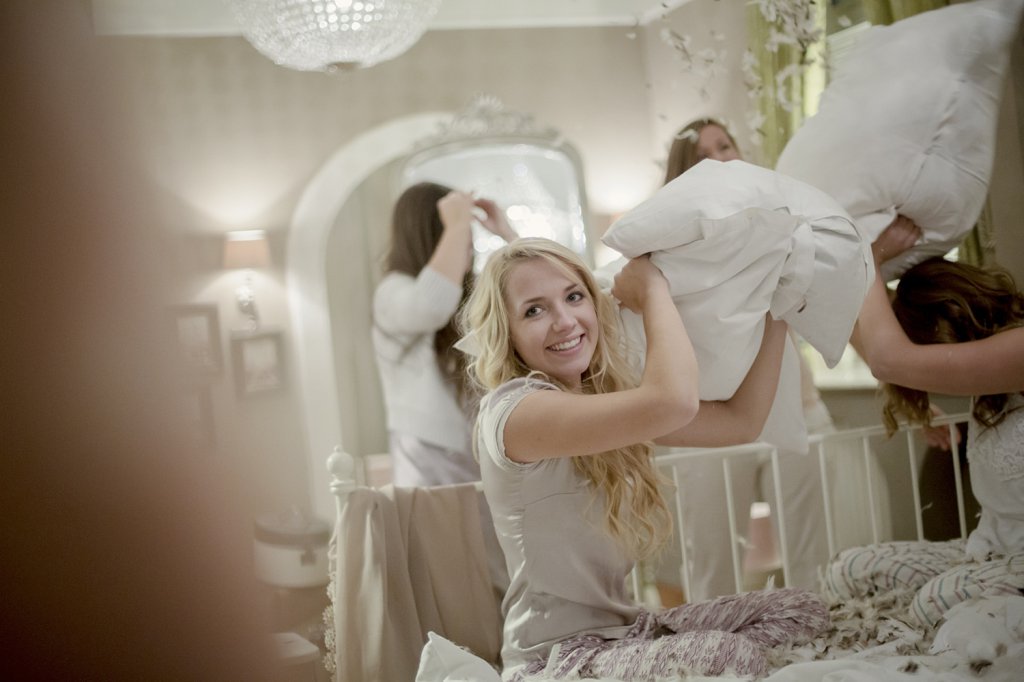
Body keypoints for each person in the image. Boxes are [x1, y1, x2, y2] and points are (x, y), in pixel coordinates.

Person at [459, 238, 828, 680]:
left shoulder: (600, 404)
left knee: (801, 609)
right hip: (556, 661)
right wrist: (653, 290)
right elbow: (673, 402)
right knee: (729, 656)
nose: (564, 321)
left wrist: (777, 306)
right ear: (508, 332)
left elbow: (740, 422)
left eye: (574, 297)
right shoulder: (514, 411)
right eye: (534, 310)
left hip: (628, 632)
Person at [658, 117, 838, 600]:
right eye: (703, 155)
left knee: (813, 559)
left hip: (795, 403)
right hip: (712, 421)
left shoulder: (782, 222)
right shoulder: (666, 243)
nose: (719, 158)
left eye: (725, 144)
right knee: (712, 563)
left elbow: (824, 303)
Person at [830, 219, 1024, 627]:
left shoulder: (1018, 350)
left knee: (931, 603)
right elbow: (861, 334)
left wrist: (871, 256)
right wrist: (918, 410)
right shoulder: (985, 374)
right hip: (986, 547)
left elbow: (888, 360)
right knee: (849, 568)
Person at [373, 181, 518, 487]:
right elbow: (431, 305)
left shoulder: (472, 290)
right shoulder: (391, 292)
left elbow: (536, 290)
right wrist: (456, 225)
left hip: (483, 452)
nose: (469, 242)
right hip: (428, 460)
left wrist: (507, 234)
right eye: (460, 232)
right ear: (434, 236)